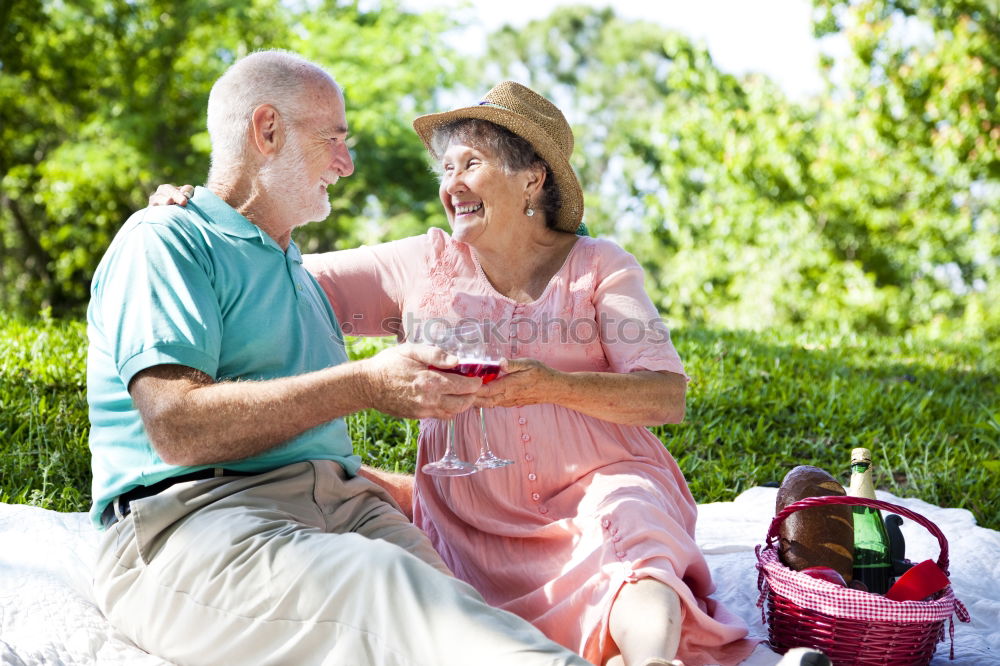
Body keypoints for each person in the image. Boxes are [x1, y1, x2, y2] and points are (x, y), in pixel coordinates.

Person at [87, 51, 590, 666]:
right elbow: (176, 424)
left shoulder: (297, 273)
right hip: (195, 524)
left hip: (342, 512)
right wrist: (365, 384)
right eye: (334, 140)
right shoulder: (165, 239)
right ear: (266, 130)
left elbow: (309, 455)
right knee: (387, 587)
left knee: (461, 612)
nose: (346, 165)